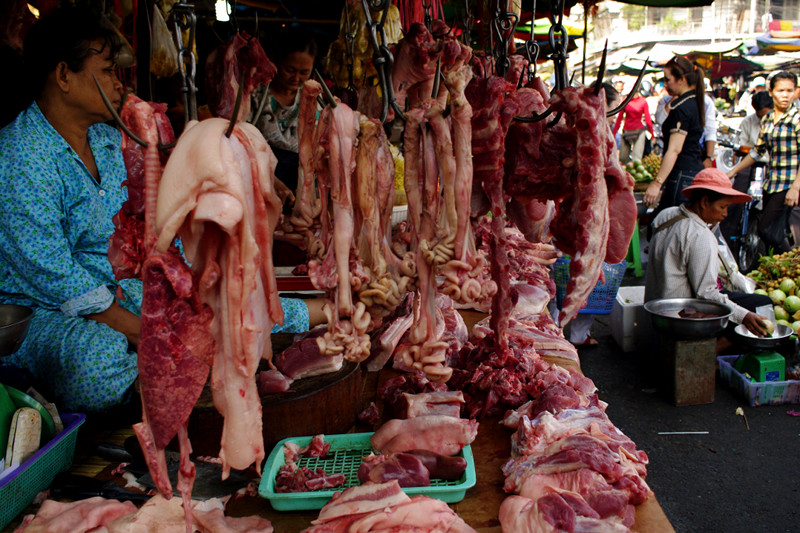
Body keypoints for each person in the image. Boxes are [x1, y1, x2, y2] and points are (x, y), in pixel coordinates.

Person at [0, 9, 324, 413]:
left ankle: (317, 312)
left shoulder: (106, 140)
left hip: (119, 287)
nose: (119, 86)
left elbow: (145, 223)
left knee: (214, 304)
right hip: (46, 311)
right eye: (107, 73)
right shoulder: (23, 153)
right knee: (96, 364)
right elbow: (51, 272)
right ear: (64, 75)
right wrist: (144, 331)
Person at [645, 168, 771, 347]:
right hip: (682, 317)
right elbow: (707, 294)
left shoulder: (667, 214)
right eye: (723, 207)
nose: (725, 214)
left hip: (657, 310)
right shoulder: (700, 236)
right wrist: (744, 316)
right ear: (704, 202)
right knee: (759, 306)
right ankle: (711, 357)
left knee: (753, 300)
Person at [725, 71, 800, 253]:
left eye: (789, 90)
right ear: (771, 91)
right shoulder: (767, 120)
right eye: (780, 90)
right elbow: (757, 152)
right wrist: (733, 172)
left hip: (789, 185)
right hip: (771, 184)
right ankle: (776, 273)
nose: (785, 95)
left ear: (796, 92)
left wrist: (795, 188)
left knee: (766, 230)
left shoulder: (796, 120)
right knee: (771, 234)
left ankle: (791, 266)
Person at [255, 27, 318, 198]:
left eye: (304, 72)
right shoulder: (256, 96)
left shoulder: (313, 99)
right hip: (263, 181)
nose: (296, 78)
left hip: (302, 186)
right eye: (290, 70)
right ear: (277, 62)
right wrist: (271, 181)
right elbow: (243, 147)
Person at [644, 56, 707, 224]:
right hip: (689, 172)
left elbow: (674, 149)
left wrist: (656, 184)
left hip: (682, 174)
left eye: (668, 79)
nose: (665, 84)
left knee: (666, 225)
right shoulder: (692, 102)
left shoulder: (683, 107)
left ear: (681, 79)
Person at [719, 91, 772, 243]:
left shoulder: (778, 123)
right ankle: (727, 236)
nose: (763, 117)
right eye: (760, 114)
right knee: (736, 195)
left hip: (770, 166)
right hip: (750, 163)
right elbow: (748, 148)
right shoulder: (748, 122)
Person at [612, 83, 653, 163]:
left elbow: (648, 119)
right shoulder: (625, 102)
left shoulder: (643, 102)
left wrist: (652, 134)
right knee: (623, 158)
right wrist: (613, 134)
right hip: (626, 131)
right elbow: (619, 119)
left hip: (639, 131)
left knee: (636, 159)